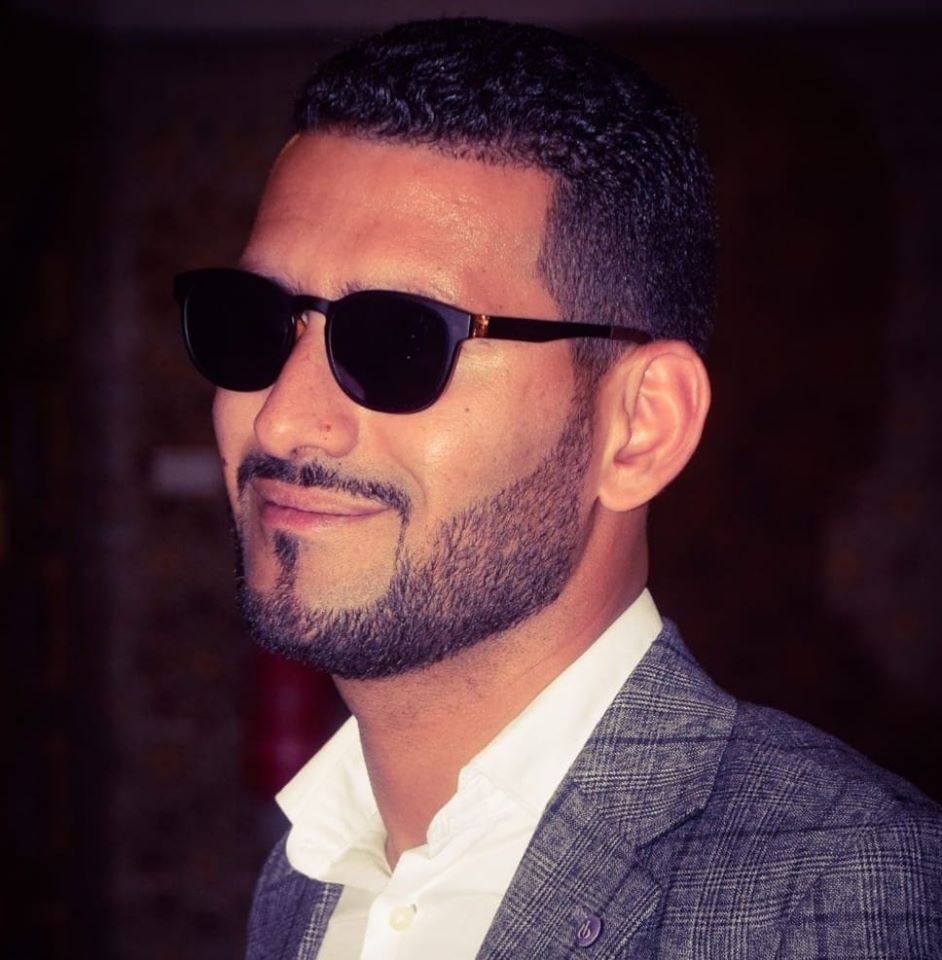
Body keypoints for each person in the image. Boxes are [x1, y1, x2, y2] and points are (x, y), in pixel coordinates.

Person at [174, 17, 942, 959]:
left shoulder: (841, 887)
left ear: (640, 427)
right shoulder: (309, 875)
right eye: (255, 321)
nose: (283, 420)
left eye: (400, 341)